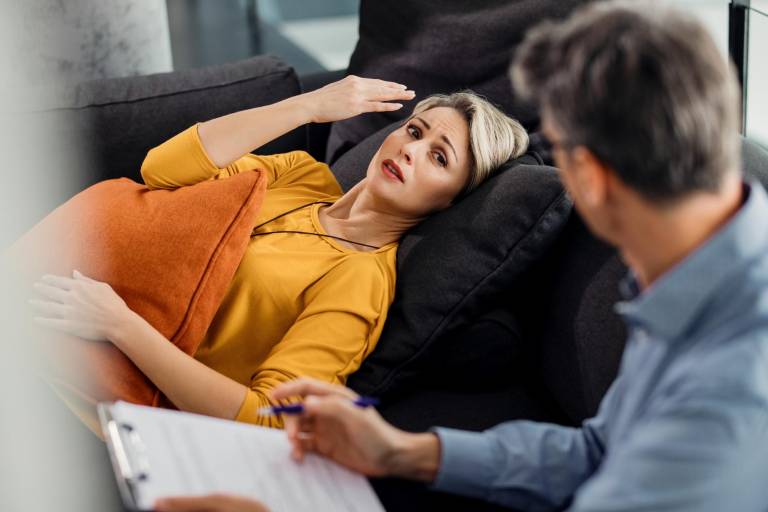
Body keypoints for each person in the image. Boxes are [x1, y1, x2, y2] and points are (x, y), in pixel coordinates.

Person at [153, 1, 768, 511]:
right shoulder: (692, 285)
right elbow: (595, 453)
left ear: (592, 178)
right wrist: (402, 452)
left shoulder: (730, 391)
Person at [30, 77, 529, 428]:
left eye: (439, 157)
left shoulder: (361, 281)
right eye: (415, 131)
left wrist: (120, 326)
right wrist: (306, 106)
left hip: (91, 396)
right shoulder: (301, 176)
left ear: (450, 200)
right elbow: (161, 170)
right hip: (46, 316)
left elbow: (269, 418)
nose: (411, 150)